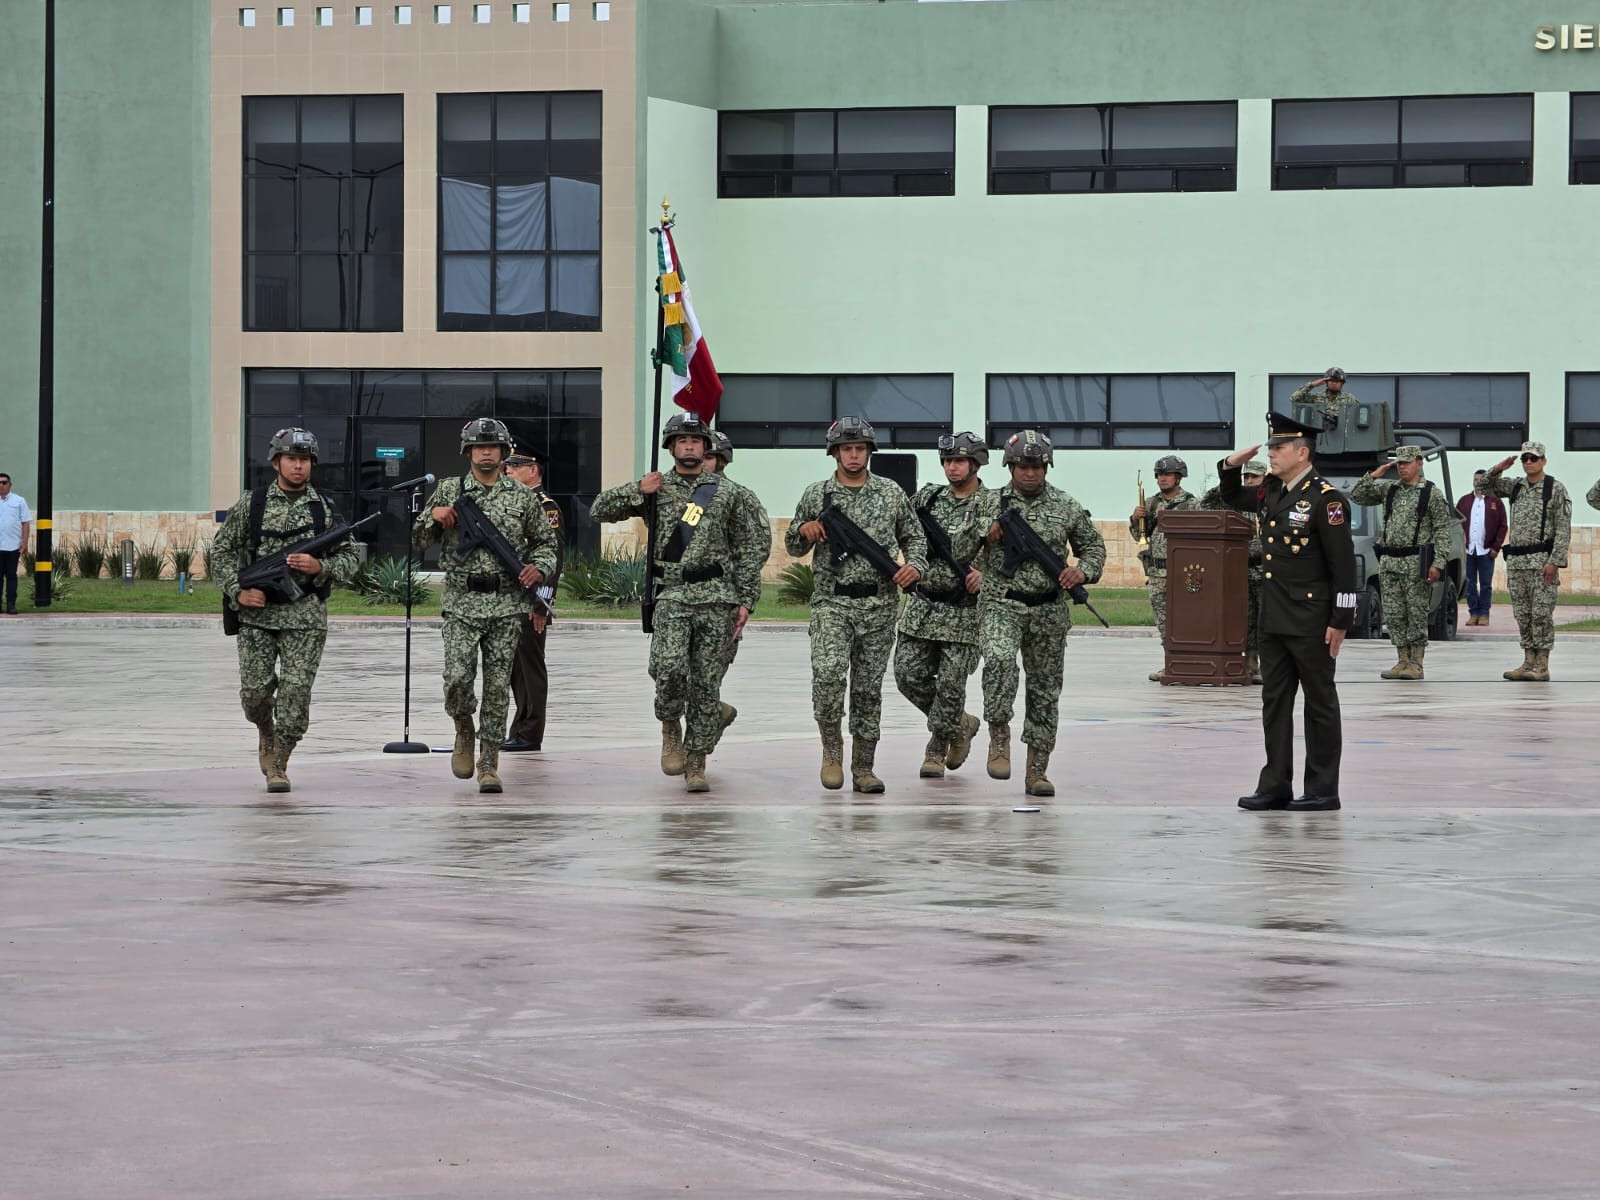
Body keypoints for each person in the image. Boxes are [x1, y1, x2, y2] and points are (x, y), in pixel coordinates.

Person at [592, 412, 770, 793]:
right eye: (681, 440)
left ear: (706, 447)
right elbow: (599, 510)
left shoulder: (728, 493)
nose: (689, 446)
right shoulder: (655, 488)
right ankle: (671, 727)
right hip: (671, 595)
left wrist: (747, 600)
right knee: (669, 672)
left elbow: (749, 548)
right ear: (670, 447)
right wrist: (638, 490)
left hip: (717, 598)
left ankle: (696, 762)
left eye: (696, 440)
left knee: (706, 685)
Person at [1219, 412, 1358, 812]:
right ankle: (1275, 784)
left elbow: (1343, 566)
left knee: (1319, 704)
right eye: (1271, 447)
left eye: (1279, 448)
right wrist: (1231, 465)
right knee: (1274, 702)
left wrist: (1340, 620)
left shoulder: (1326, 499)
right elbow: (1232, 496)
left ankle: (1322, 789)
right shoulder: (1272, 492)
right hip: (1274, 617)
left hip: (1313, 621)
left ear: (1302, 452)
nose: (1272, 454)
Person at [211, 428, 361, 793]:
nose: (298, 465)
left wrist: (320, 568)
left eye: (305, 459)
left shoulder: (322, 507)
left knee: (295, 694)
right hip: (257, 615)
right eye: (291, 458)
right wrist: (238, 591)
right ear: (276, 461)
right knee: (254, 694)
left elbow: (351, 556)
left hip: (305, 616)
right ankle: (266, 729)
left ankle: (279, 761)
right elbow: (221, 551)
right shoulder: (254, 503)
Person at [415, 418, 559, 793]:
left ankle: (489, 762)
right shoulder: (450, 489)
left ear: (503, 452)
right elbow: (417, 538)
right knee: (458, 679)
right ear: (468, 451)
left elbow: (546, 544)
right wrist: (434, 518)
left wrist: (537, 569)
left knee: (498, 688)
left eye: (492, 446)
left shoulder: (522, 497)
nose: (485, 452)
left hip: (506, 603)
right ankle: (464, 729)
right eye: (479, 446)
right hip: (463, 602)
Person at [787, 416, 926, 793]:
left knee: (867, 688)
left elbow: (915, 538)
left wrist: (914, 566)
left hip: (879, 604)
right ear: (834, 453)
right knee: (829, 674)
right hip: (832, 602)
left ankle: (864, 767)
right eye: (846, 448)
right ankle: (832, 750)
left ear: (869, 451)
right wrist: (805, 531)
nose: (853, 455)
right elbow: (792, 544)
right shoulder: (817, 494)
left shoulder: (891, 493)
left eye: (860, 448)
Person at [978, 430, 1106, 798]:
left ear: (1045, 467)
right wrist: (986, 534)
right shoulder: (989, 502)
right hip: (1002, 602)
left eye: (1036, 466)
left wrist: (1082, 571)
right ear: (1010, 466)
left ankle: (1037, 771)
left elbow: (1092, 546)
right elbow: (958, 543)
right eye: (1022, 466)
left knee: (1045, 691)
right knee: (1000, 661)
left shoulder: (1065, 505)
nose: (1029, 473)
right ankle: (999, 733)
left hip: (1048, 609)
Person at [893, 431, 995, 779]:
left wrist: (987, 573)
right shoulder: (927, 498)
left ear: (976, 463)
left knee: (951, 683)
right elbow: (904, 532)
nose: (952, 467)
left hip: (966, 611)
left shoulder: (994, 503)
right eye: (948, 461)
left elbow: (1012, 554)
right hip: (923, 606)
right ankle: (959, 724)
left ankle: (936, 747)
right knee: (907, 675)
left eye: (960, 461)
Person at [1349, 445, 1454, 680]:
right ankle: (1402, 660)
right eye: (1399, 463)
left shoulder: (1431, 494)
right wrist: (1374, 475)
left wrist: (1437, 563)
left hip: (1415, 563)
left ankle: (1416, 663)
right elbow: (1357, 495)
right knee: (1395, 616)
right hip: (1390, 562)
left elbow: (1442, 532)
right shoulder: (1390, 490)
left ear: (1419, 462)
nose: (1402, 467)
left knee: (1416, 614)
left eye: (1407, 462)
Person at [1481, 442, 1572, 682]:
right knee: (1522, 614)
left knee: (1541, 614)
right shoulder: (1516, 487)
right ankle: (1528, 661)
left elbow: (1563, 529)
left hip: (1542, 562)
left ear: (1543, 461)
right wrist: (1498, 468)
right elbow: (1482, 486)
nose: (1529, 463)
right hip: (1518, 561)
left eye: (1533, 458)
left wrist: (1555, 562)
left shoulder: (1554, 488)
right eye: (1525, 459)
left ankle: (1542, 665)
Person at [502, 447, 565, 753]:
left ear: (533, 469)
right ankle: (521, 727)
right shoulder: (514, 504)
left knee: (530, 667)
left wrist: (542, 603)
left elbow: (554, 559)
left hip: (532, 600)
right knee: (516, 669)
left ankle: (530, 732)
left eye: (515, 465)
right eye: (508, 465)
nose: (509, 470)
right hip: (511, 599)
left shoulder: (545, 506)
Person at [1129, 454, 1200, 681]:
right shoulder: (1151, 503)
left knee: (1187, 619)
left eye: (1167, 474)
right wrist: (1135, 519)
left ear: (1178, 477)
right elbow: (1139, 535)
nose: (1162, 478)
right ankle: (1171, 663)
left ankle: (1190, 662)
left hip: (1184, 572)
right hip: (1158, 572)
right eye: (1159, 474)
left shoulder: (1191, 503)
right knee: (1163, 621)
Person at [1200, 459, 1267, 683]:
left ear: (1263, 479)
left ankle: (1268, 665)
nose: (1249, 481)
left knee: (1265, 620)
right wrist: (1226, 483)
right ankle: (1249, 664)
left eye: (1254, 477)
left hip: (1266, 571)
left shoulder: (1271, 500)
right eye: (1246, 477)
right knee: (1245, 619)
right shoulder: (1236, 502)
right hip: (1241, 571)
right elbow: (1207, 503)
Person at [1456, 470, 1507, 627]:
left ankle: (1484, 613)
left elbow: (1502, 526)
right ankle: (1474, 612)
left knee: (1485, 584)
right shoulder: (1464, 501)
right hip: (1468, 551)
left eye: (1481, 479)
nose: (1478, 482)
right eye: (1475, 479)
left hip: (1486, 551)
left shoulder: (1495, 502)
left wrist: (1496, 547)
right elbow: (1456, 522)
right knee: (1470, 583)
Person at [0, 472, 31, 615]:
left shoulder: (19, 501)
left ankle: (11, 604)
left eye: (4, 482)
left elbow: (25, 523)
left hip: (13, 546)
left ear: (10, 485)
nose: (1, 485)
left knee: (11, 575)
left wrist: (24, 542)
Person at [1290, 368, 1357, 429]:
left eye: (1337, 381)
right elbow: (1294, 398)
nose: (1334, 383)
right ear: (1326, 382)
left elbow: (1358, 416)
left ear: (1342, 383)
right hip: (1319, 434)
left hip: (1341, 436)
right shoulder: (1316, 397)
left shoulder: (1349, 398)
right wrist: (1312, 385)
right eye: (1331, 381)